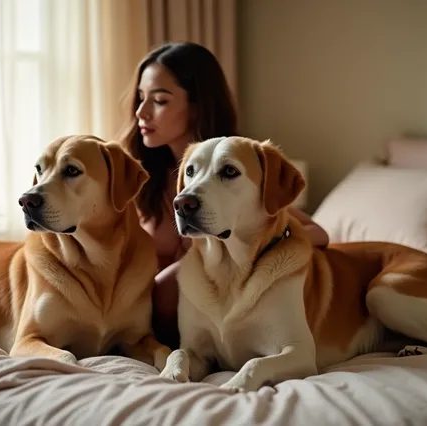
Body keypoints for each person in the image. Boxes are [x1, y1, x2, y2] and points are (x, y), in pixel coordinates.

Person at [119, 41, 329, 349]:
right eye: (140, 98)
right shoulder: (139, 181)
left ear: (197, 106)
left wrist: (261, 257)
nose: (141, 112)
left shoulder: (238, 172)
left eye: (160, 100)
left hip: (205, 326)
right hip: (145, 330)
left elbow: (318, 233)